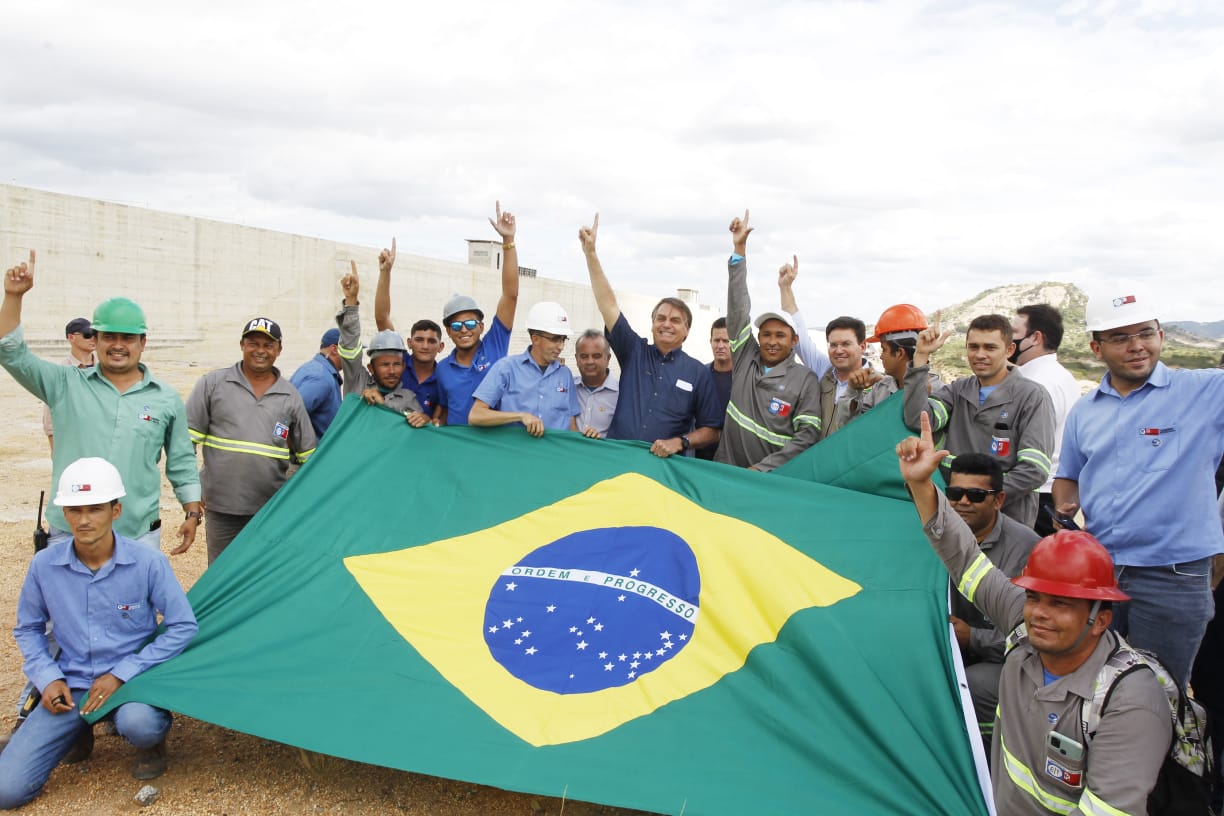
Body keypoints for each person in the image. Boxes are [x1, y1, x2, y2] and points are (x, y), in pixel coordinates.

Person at [899, 414, 1171, 815]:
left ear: (1100, 619)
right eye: (1035, 597)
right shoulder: (1024, 623)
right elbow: (964, 558)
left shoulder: (1128, 700)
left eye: (1061, 604)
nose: (1040, 613)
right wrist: (921, 484)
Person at [0, 458, 198, 807]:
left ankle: (150, 739)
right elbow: (29, 628)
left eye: (95, 509)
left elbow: (182, 626)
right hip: (72, 685)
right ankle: (79, 728)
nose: (84, 519)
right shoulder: (44, 566)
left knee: (141, 724)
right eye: (75, 510)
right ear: (64, 513)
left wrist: (122, 674)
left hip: (132, 685)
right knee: (7, 791)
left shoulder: (148, 563)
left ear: (116, 510)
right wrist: (47, 678)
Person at [1053, 288, 1224, 686]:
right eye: (1120, 338)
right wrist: (1064, 508)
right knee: (1090, 683)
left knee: (1159, 691)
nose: (1137, 346)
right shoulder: (1086, 409)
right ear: (1097, 348)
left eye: (1145, 333)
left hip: (1173, 577)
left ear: (1161, 336)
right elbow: (1068, 475)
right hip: (1099, 571)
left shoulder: (1203, 392)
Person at [0, 251, 202, 553]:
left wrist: (192, 512)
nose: (118, 345)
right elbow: (11, 353)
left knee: (132, 603)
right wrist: (13, 297)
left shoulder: (165, 398)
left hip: (137, 534)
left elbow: (183, 461)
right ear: (96, 340)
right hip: (69, 533)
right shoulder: (64, 385)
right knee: (67, 602)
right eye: (109, 336)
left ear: (142, 342)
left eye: (128, 337)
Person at [579, 213, 722, 457]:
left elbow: (712, 430)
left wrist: (681, 442)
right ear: (653, 324)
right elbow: (609, 306)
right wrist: (591, 254)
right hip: (616, 457)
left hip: (662, 468)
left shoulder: (698, 373)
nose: (667, 324)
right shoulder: (634, 351)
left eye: (675, 320)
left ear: (687, 331)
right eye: (661, 318)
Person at [903, 313, 1055, 528]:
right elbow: (918, 420)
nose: (980, 354)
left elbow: (1034, 469)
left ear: (1009, 350)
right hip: (956, 521)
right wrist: (920, 358)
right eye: (973, 347)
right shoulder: (958, 390)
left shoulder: (1032, 396)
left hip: (1007, 524)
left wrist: (980, 499)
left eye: (990, 347)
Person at [187, 317, 317, 564]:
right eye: (253, 343)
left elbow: (308, 457)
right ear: (242, 345)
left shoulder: (290, 396)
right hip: (221, 507)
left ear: (278, 350)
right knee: (220, 576)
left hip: (269, 510)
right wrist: (193, 492)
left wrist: (294, 503)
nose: (260, 350)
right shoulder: (213, 384)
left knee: (259, 578)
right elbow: (186, 445)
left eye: (268, 345)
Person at [944, 453, 1039, 752]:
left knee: (971, 686)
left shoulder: (1026, 548)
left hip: (1007, 661)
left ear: (998, 500)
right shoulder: (936, 534)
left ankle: (986, 760)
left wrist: (973, 638)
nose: (963, 502)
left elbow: (1034, 637)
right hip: (949, 649)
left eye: (975, 495)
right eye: (955, 494)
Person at [714, 213, 821, 471]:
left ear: (794, 340)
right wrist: (739, 251)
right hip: (725, 470)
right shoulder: (745, 357)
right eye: (766, 334)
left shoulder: (805, 379)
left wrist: (764, 469)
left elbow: (807, 436)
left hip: (769, 482)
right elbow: (738, 308)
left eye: (780, 335)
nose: (772, 341)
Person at [434, 203, 521, 425]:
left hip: (494, 447)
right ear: (448, 332)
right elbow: (443, 411)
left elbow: (510, 295)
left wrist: (508, 242)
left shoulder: (495, 346)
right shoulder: (442, 370)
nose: (464, 329)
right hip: (458, 450)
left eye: (471, 323)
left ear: (481, 326)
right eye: (456, 326)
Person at [1010, 305, 1081, 536]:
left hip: (1036, 494)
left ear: (1035, 338)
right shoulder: (1061, 376)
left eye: (1014, 331)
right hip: (1052, 490)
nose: (1008, 339)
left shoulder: (1037, 384)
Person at [335, 263, 432, 426]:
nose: (392, 371)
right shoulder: (357, 381)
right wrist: (351, 302)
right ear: (371, 368)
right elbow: (350, 345)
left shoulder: (409, 399)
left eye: (396, 364)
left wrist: (426, 420)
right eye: (385, 365)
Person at [471, 302, 585, 437]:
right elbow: (476, 415)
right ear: (535, 339)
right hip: (517, 455)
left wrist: (587, 440)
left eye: (563, 339)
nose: (560, 346)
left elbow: (571, 424)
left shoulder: (565, 374)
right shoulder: (506, 368)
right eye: (555, 339)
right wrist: (521, 416)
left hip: (554, 456)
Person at [372, 237, 445, 420]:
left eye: (431, 341)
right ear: (410, 343)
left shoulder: (445, 377)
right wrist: (385, 272)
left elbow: (439, 419)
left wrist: (429, 420)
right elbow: (382, 317)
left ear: (441, 346)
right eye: (419, 340)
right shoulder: (397, 362)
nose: (425, 346)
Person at [42, 317, 97, 453]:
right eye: (88, 335)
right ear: (71, 337)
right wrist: (55, 450)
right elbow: (51, 415)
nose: (93, 339)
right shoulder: (61, 372)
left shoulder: (107, 369)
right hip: (74, 443)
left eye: (95, 335)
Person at [289, 328, 343, 438]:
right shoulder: (321, 378)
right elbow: (291, 415)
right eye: (351, 350)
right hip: (312, 454)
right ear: (334, 349)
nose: (355, 357)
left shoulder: (314, 369)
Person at [697, 318, 733, 461]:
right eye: (716, 340)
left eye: (726, 341)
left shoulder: (745, 379)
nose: (720, 345)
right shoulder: (700, 375)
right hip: (699, 456)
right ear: (710, 341)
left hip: (732, 459)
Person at [573, 329, 618, 439]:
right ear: (576, 359)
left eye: (596, 356)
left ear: (608, 359)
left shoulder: (621, 395)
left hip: (602, 454)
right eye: (584, 356)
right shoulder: (567, 387)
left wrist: (601, 440)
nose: (590, 362)